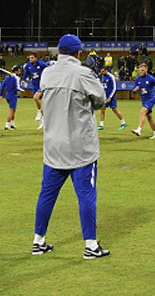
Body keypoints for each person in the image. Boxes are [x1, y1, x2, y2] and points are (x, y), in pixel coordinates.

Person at [32, 34, 109, 259]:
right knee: (86, 195)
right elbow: (101, 100)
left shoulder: (47, 73)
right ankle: (91, 246)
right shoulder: (83, 73)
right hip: (80, 146)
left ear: (58, 51)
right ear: (78, 53)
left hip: (53, 146)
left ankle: (38, 241)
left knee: (46, 194)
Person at [131, 63, 155, 139]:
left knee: (142, 111)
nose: (141, 71)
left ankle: (139, 130)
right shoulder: (137, 79)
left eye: (143, 69)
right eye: (140, 70)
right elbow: (134, 90)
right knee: (149, 118)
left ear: (146, 69)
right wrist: (134, 90)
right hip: (144, 100)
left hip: (151, 99)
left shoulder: (151, 78)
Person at [23, 52, 49, 129]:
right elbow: (25, 73)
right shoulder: (28, 65)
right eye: (29, 58)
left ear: (36, 58)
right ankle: (43, 123)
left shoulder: (41, 64)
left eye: (32, 58)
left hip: (42, 84)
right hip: (35, 85)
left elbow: (48, 68)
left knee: (36, 97)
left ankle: (38, 112)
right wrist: (23, 80)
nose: (30, 59)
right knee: (40, 103)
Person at [98, 66, 127, 131]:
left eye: (103, 71)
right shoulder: (103, 76)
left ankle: (123, 123)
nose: (101, 73)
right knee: (102, 110)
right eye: (101, 71)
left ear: (106, 70)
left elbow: (114, 88)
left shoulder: (111, 77)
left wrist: (110, 97)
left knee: (115, 110)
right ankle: (101, 125)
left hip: (111, 97)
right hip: (105, 96)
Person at [0, 65, 25, 130]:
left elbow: (2, 86)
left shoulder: (7, 77)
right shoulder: (16, 78)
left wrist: (1, 94)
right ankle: (6, 125)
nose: (19, 72)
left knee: (13, 110)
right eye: (19, 71)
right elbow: (17, 87)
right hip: (13, 95)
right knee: (11, 110)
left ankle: (12, 124)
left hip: (7, 95)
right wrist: (22, 90)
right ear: (16, 71)